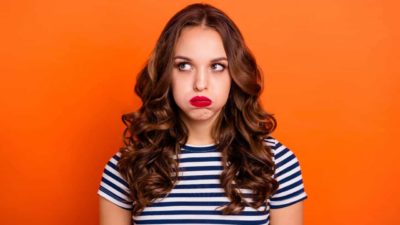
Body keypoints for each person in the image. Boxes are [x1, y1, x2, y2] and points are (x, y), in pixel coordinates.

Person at [97, 3, 307, 225]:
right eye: (184, 66)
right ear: (165, 72)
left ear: (234, 75)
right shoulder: (127, 166)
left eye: (217, 66)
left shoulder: (276, 163)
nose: (200, 84)